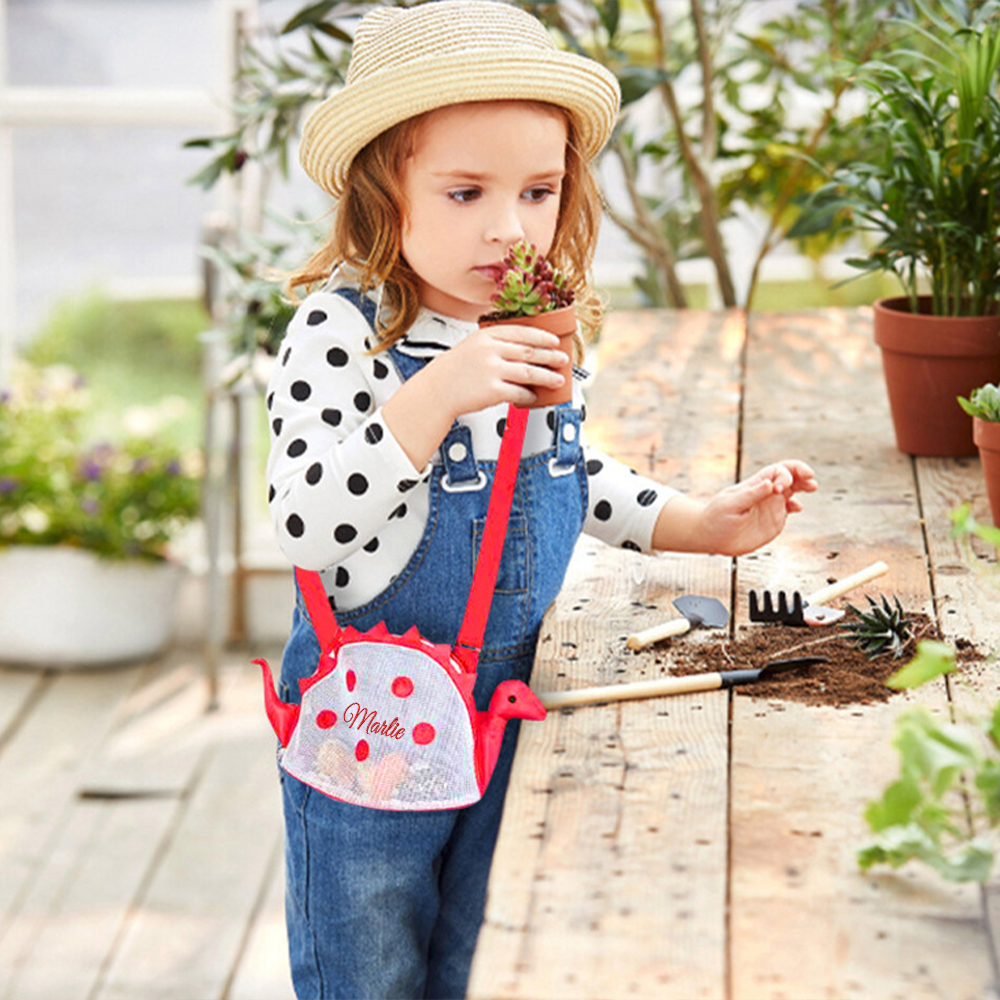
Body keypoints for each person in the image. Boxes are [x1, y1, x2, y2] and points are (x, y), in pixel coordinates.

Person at [265, 2, 818, 997]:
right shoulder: (342, 333)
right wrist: (437, 390)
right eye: (467, 190)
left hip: (518, 711)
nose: (510, 227)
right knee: (371, 966)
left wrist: (693, 521)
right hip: (372, 734)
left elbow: (560, 466)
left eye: (539, 191)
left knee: (483, 960)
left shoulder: (531, 325)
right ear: (381, 198)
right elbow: (304, 521)